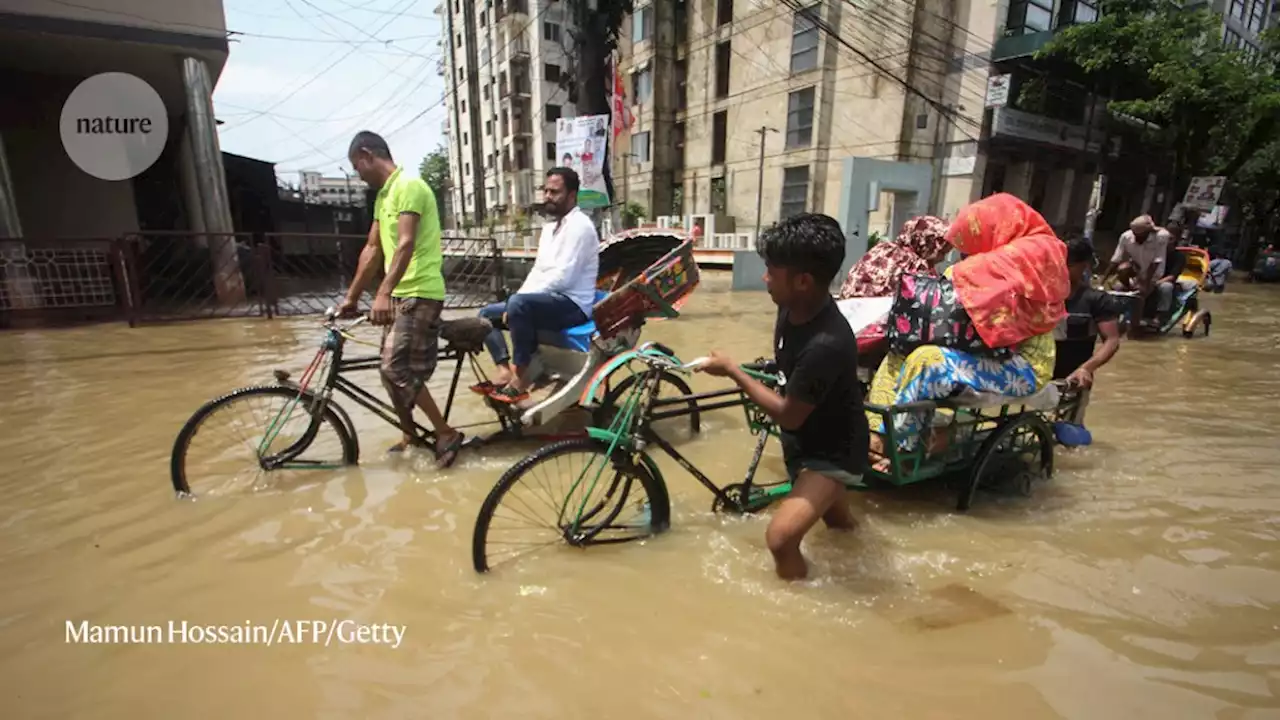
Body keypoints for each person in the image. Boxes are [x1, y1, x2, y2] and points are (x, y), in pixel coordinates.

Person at [697, 213, 867, 582]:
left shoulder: (828, 343)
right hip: (806, 437)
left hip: (833, 450)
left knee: (780, 539)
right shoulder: (790, 306)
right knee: (839, 526)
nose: (765, 278)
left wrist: (732, 371)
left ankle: (801, 602)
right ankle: (862, 562)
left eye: (771, 271)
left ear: (803, 281)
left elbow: (789, 416)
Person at [865, 193, 1069, 466]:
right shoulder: (994, 262)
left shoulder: (1031, 257)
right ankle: (875, 431)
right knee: (899, 351)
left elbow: (981, 299)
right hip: (985, 348)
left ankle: (899, 447)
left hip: (1022, 363)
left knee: (929, 361)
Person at [337, 131, 464, 466]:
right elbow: (372, 249)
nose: (357, 174)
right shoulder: (383, 197)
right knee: (387, 371)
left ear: (367, 155)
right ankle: (410, 434)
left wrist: (381, 293)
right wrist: (350, 299)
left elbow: (405, 243)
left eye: (356, 166)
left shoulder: (409, 185)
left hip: (420, 291)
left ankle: (445, 433)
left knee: (395, 367)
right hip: (400, 295)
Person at [474, 167, 599, 404]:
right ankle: (504, 371)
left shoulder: (581, 226)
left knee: (518, 304)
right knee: (486, 315)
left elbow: (564, 278)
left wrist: (517, 304)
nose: (548, 196)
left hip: (572, 304)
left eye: (555, 192)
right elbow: (538, 271)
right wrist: (514, 303)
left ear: (572, 195)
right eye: (546, 191)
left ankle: (520, 379)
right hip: (547, 300)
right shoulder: (550, 229)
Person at [1053, 239, 1123, 425]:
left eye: (1068, 265)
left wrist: (1086, 368)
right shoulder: (1040, 296)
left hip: (1073, 379)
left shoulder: (1097, 300)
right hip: (1036, 374)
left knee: (1068, 432)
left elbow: (1112, 341)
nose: (1059, 269)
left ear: (1083, 266)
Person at [837, 215, 951, 299]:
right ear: (926, 243)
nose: (942, 259)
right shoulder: (915, 266)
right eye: (941, 253)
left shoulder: (883, 249)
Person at [1099, 215, 1170, 334]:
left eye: (1140, 236)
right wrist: (1101, 283)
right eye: (1135, 235)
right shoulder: (1126, 236)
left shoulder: (1160, 237)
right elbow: (1115, 260)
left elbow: (1155, 262)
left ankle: (1135, 325)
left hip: (1154, 275)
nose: (1136, 238)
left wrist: (1145, 284)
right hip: (1136, 272)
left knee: (1139, 297)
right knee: (1120, 275)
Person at [1151, 234, 1196, 326]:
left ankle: (1160, 316)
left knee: (1166, 287)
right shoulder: (1154, 254)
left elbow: (1172, 276)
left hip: (1165, 282)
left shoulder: (1179, 257)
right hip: (1151, 279)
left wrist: (1156, 283)